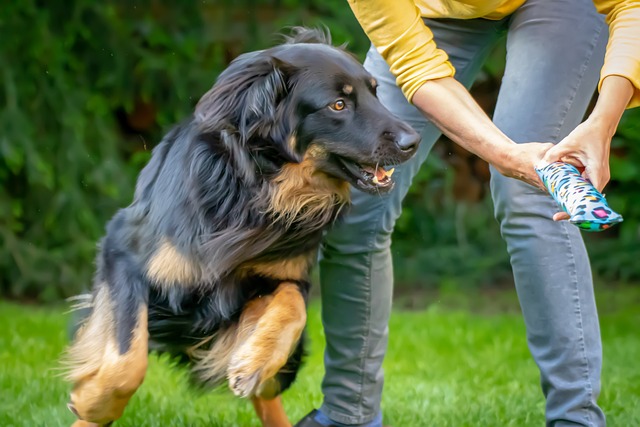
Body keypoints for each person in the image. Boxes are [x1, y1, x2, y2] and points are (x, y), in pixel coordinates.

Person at [295, 0, 639, 426]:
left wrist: (603, 123)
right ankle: (349, 415)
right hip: (433, 11)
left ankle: (575, 420)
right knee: (356, 199)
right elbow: (418, 69)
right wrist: (506, 154)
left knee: (529, 193)